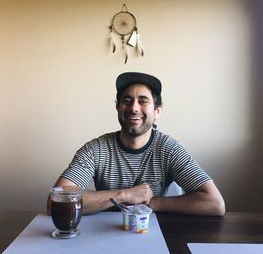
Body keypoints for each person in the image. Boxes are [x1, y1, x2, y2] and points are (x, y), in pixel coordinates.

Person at [48, 72, 225, 216]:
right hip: (102, 236)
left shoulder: (169, 149)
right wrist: (125, 195)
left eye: (143, 101)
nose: (134, 108)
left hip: (151, 234)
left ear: (157, 111)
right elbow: (55, 202)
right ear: (118, 107)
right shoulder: (96, 149)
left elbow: (214, 203)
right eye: (127, 100)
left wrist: (154, 202)